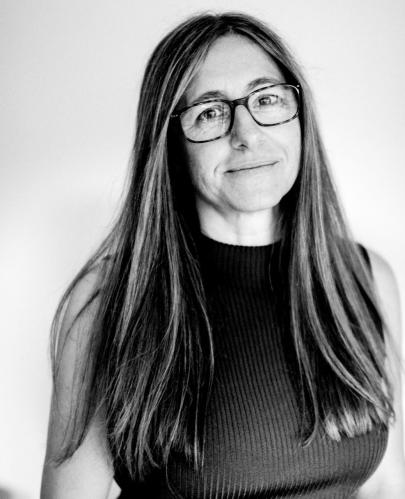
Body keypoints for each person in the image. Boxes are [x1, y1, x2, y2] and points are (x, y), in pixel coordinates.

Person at [40, 11, 405, 499]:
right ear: (170, 142)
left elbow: (385, 483)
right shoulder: (109, 301)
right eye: (210, 112)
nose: (246, 133)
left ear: (299, 117)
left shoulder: (366, 277)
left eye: (267, 99)